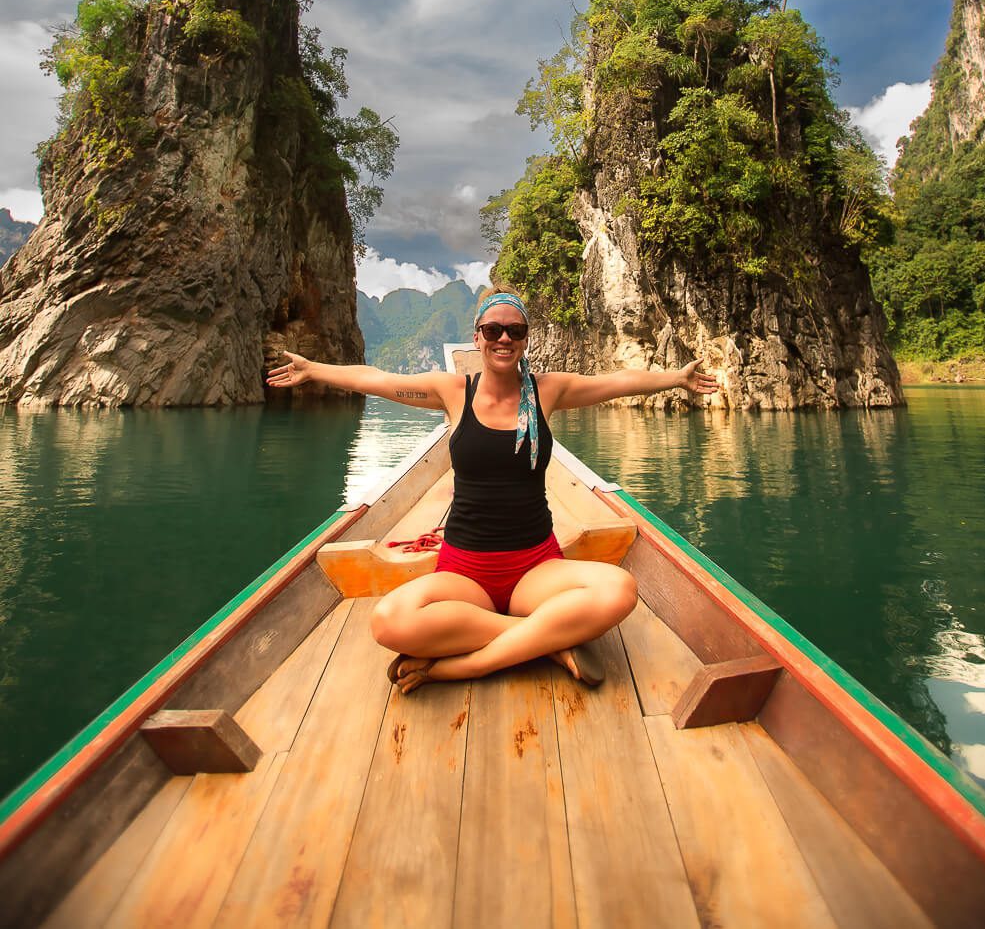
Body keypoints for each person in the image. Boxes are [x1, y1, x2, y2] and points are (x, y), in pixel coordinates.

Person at [266, 290, 718, 694]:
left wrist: (676, 377)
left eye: (515, 330)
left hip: (535, 568)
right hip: (465, 571)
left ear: (525, 338)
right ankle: (544, 641)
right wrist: (314, 369)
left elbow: (615, 382)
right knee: (388, 621)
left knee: (620, 589)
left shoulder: (547, 390)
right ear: (477, 337)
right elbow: (378, 378)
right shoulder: (451, 392)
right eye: (493, 329)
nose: (504, 338)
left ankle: (468, 666)